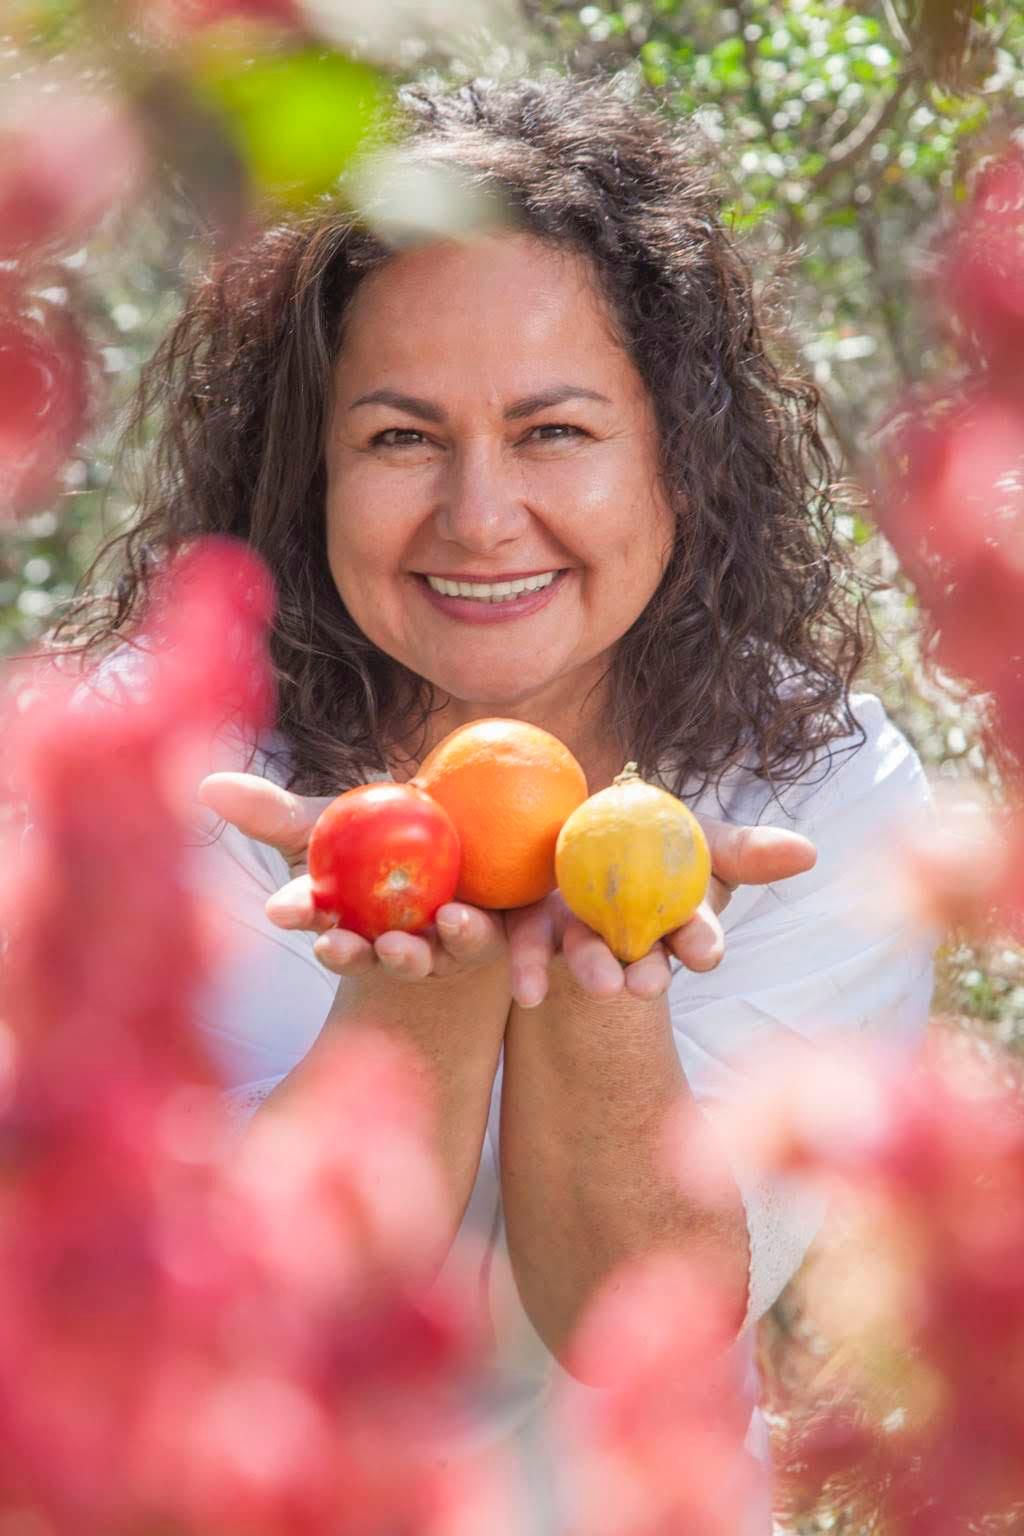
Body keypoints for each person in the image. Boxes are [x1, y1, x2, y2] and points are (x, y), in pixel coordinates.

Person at [60, 74, 938, 1534]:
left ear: (679, 455)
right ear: (311, 468)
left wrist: (600, 984)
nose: (478, 517)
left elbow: (631, 1323)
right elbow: (223, 1316)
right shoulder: (155, 772)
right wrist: (430, 970)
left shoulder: (823, 794)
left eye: (554, 433)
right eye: (402, 437)